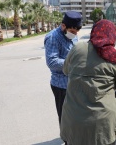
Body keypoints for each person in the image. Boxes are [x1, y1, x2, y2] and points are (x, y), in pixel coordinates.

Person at [60, 19, 116, 145]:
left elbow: (65, 70)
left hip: (74, 121)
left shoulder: (78, 48)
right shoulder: (115, 56)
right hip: (103, 125)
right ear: (112, 34)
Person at [44, 11, 82, 143]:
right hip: (60, 85)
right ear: (63, 26)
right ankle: (67, 140)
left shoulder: (74, 35)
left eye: (77, 32)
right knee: (65, 117)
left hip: (74, 82)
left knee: (76, 115)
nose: (75, 34)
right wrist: (73, 63)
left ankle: (74, 137)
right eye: (73, 31)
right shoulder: (53, 37)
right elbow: (52, 62)